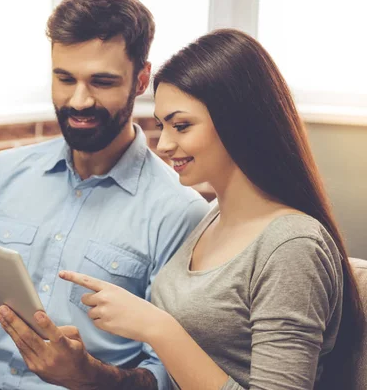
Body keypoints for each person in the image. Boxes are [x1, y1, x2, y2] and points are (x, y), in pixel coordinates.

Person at [0, 0, 209, 389]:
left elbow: (170, 374)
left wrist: (90, 376)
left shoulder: (180, 213)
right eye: (64, 78)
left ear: (141, 80)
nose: (78, 101)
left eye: (102, 81)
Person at [60, 28, 365, 390]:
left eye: (182, 125)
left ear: (239, 120)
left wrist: (157, 328)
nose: (166, 144)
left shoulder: (292, 247)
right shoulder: (213, 216)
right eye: (161, 126)